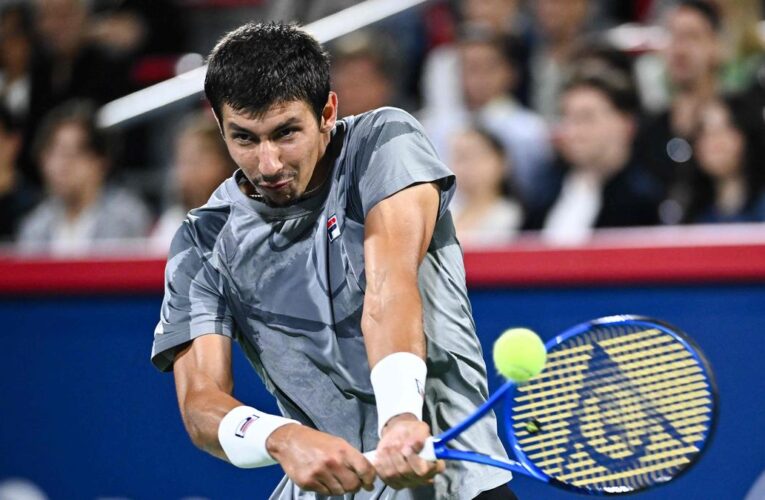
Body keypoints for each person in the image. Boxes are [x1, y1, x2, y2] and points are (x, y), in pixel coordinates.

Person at [150, 22, 516, 499]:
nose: (268, 164)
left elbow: (389, 288)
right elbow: (201, 405)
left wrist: (402, 417)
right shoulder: (203, 239)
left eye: (286, 133)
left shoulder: (384, 142)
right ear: (220, 126)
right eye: (244, 138)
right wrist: (280, 439)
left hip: (453, 484)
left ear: (327, 111)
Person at [526, 66, 663, 244]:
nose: (572, 132)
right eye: (567, 118)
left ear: (626, 125)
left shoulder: (644, 200)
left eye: (586, 118)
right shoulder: (545, 190)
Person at [17, 100, 151, 254]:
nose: (60, 166)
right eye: (52, 154)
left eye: (70, 154)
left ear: (100, 161)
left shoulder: (126, 218)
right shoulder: (35, 226)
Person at [150, 110, 237, 252]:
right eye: (183, 162)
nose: (187, 173)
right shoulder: (171, 222)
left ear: (225, 161)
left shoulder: (248, 218)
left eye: (196, 161)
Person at [448, 127, 523, 247]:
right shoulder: (445, 213)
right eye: (460, 158)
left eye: (475, 156)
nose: (468, 167)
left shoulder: (511, 216)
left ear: (502, 162)